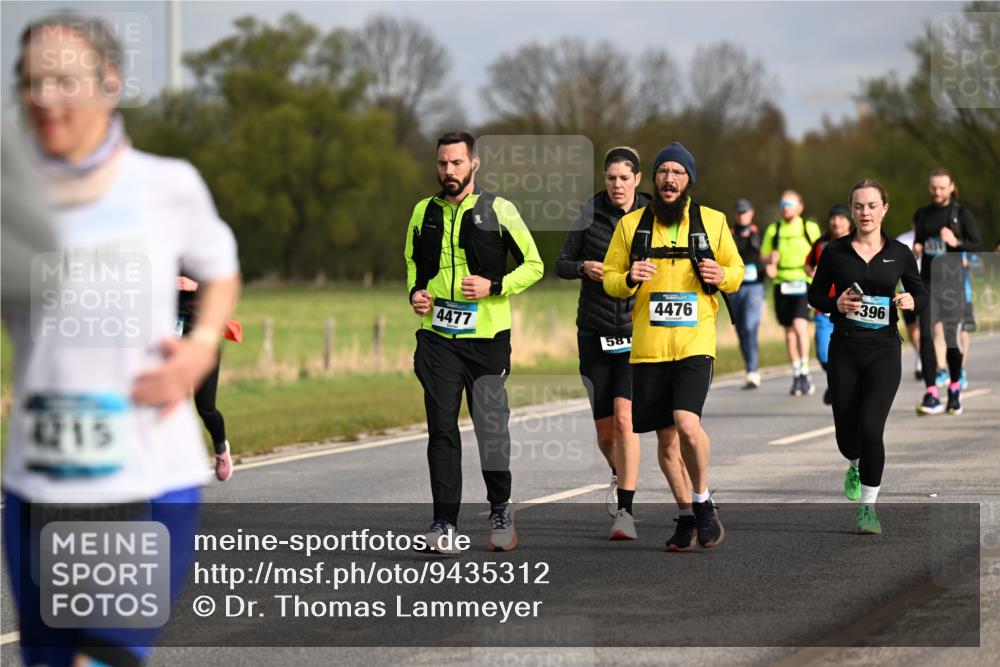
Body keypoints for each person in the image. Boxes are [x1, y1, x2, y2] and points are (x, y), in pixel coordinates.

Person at [3, 13, 240, 667]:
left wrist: (199, 349)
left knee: (99, 659)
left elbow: (220, 266)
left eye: (62, 79)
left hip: (145, 474)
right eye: (29, 82)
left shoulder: (167, 186)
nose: (44, 97)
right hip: (38, 482)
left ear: (109, 81)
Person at [405, 131, 543, 554]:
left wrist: (495, 285)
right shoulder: (423, 212)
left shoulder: (500, 209)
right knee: (442, 428)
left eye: (457, 164)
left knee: (490, 428)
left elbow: (534, 265)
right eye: (443, 164)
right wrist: (416, 293)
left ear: (474, 164)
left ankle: (500, 508)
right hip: (438, 339)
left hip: (486, 340)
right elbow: (413, 261)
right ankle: (443, 522)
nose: (449, 171)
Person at [603, 142, 744, 552]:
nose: (669, 179)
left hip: (695, 342)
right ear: (654, 180)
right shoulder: (631, 226)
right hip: (648, 348)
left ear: (689, 180)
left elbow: (736, 271)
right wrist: (628, 277)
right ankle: (685, 516)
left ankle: (702, 502)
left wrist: (722, 274)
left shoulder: (712, 222)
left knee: (686, 423)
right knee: (666, 444)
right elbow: (610, 277)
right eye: (663, 172)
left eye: (677, 173)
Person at [808, 180, 926, 534]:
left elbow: (921, 293)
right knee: (848, 436)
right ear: (852, 210)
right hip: (844, 347)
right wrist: (836, 303)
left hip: (885, 350)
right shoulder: (835, 251)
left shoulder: (900, 253)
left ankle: (868, 508)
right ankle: (854, 462)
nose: (865, 213)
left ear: (884, 209)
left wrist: (911, 301)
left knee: (872, 428)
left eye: (872, 206)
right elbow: (815, 295)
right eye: (859, 206)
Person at [556, 147, 649, 539]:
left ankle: (625, 511)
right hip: (594, 331)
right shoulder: (588, 213)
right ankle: (618, 471)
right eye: (610, 178)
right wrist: (582, 267)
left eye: (624, 178)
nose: (616, 185)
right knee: (606, 433)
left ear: (637, 180)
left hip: (636, 332)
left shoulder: (653, 215)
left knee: (627, 419)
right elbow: (561, 262)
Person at [912, 168, 982, 415]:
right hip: (927, 283)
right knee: (927, 337)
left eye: (942, 187)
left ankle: (954, 388)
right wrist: (918, 246)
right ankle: (931, 392)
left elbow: (978, 245)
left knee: (951, 338)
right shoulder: (922, 214)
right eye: (933, 188)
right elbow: (919, 240)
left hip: (952, 285)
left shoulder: (961, 214)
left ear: (951, 187)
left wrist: (956, 243)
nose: (937, 192)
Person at [177, 275, 239, 481]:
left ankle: (221, 449)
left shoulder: (202, 256)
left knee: (205, 407)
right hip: (174, 342)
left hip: (204, 340)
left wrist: (195, 285)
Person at [762, 191, 823, 396]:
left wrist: (818, 269)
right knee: (788, 331)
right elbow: (764, 257)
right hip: (782, 283)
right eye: (783, 203)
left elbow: (822, 251)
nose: (785, 206)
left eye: (789, 203)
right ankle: (797, 374)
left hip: (803, 281)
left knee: (800, 326)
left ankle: (805, 370)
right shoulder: (774, 229)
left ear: (800, 207)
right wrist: (769, 263)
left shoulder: (809, 228)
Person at [806, 204, 853, 405]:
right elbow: (808, 263)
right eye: (833, 218)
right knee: (824, 353)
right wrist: (811, 272)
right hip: (824, 306)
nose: (836, 222)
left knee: (849, 351)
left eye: (841, 218)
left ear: (848, 221)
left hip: (851, 307)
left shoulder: (857, 241)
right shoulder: (821, 243)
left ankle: (844, 384)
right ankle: (836, 381)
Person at [729, 198, 765, 389]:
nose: (742, 216)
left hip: (754, 287)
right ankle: (749, 367)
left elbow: (764, 255)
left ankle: (753, 370)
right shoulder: (729, 233)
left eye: (746, 212)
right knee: (741, 330)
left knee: (751, 327)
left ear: (751, 213)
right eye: (740, 212)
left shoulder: (759, 232)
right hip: (735, 287)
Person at [894, 226, 924, 380]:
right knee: (912, 329)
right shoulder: (902, 240)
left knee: (930, 328)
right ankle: (920, 355)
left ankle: (932, 361)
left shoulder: (933, 238)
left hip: (929, 289)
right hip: (907, 292)